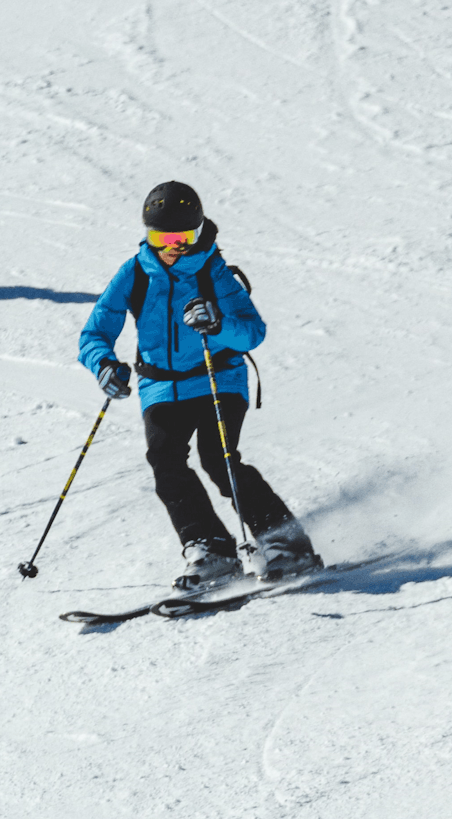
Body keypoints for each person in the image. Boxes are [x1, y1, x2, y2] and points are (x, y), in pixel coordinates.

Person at [78, 180, 322, 589]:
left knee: (219, 458)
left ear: (197, 231)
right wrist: (102, 364)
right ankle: (211, 548)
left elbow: (252, 332)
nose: (172, 246)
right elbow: (94, 332)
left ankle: (285, 542)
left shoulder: (214, 272)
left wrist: (218, 324)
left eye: (182, 236)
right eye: (160, 237)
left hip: (218, 379)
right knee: (165, 463)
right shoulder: (136, 272)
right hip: (161, 386)